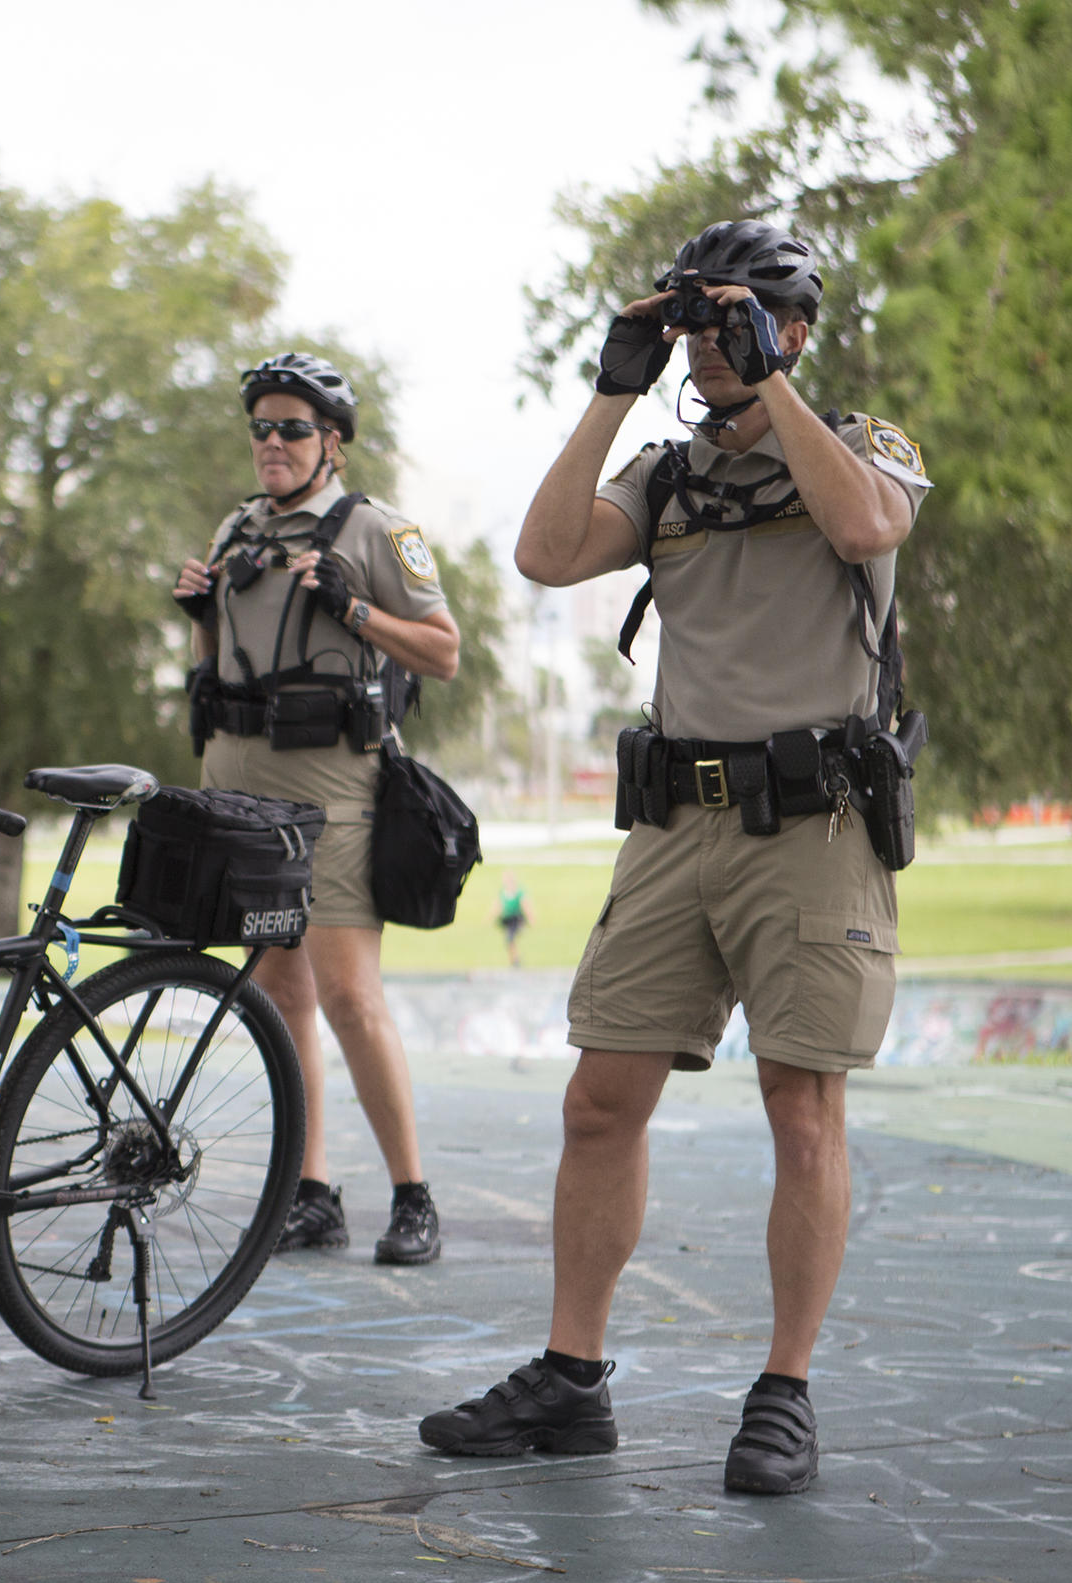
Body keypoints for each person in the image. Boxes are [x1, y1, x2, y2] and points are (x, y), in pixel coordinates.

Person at [418, 221, 929, 1496]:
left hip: (812, 826)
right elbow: (543, 555)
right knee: (600, 1100)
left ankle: (785, 1389)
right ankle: (571, 1376)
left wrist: (774, 385)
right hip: (675, 821)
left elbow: (866, 529)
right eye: (698, 324)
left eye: (735, 319)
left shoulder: (861, 447)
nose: (707, 343)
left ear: (795, 327)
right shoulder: (666, 471)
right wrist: (613, 382)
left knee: (801, 1108)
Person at [172, 353, 461, 1265]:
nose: (273, 443)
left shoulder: (375, 530)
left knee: (346, 991)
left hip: (333, 788)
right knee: (278, 986)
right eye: (261, 427)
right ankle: (312, 1190)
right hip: (237, 784)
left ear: (332, 443)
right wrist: (198, 611)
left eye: (293, 428)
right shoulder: (235, 529)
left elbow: (444, 651)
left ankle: (413, 1195)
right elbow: (223, 656)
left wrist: (358, 611)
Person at [497, 871, 527, 968]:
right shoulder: (503, 893)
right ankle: (514, 960)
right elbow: (498, 906)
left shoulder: (518, 893)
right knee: (509, 940)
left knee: (510, 938)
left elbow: (525, 905)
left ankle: (516, 960)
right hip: (507, 920)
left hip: (516, 919)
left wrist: (530, 918)